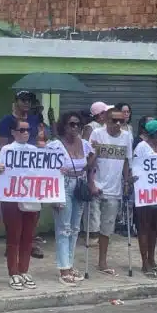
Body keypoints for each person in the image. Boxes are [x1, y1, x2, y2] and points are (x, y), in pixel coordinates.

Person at [46, 111, 95, 286]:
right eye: (71, 124)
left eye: (78, 125)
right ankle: (63, 268)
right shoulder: (55, 145)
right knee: (63, 227)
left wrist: (92, 184)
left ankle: (70, 263)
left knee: (75, 228)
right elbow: (47, 169)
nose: (74, 128)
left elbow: (91, 167)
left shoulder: (85, 145)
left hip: (79, 185)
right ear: (64, 126)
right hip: (63, 185)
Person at [0, 121, 41, 290]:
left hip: (30, 197)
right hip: (12, 198)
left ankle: (24, 269)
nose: (26, 133)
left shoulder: (35, 151)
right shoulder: (7, 150)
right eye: (22, 130)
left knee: (28, 236)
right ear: (13, 132)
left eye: (28, 130)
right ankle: (13, 272)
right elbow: (0, 172)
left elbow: (42, 172)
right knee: (14, 236)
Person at [87, 107, 132, 276]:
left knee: (107, 228)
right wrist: (91, 183)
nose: (118, 124)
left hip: (115, 188)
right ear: (106, 119)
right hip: (97, 186)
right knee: (94, 227)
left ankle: (102, 261)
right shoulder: (97, 134)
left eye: (122, 121)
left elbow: (127, 161)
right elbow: (89, 163)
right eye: (114, 120)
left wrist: (126, 182)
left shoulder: (126, 136)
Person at [132, 119, 157, 278]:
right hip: (144, 193)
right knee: (144, 227)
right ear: (153, 133)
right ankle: (144, 263)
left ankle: (152, 260)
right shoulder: (141, 147)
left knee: (154, 228)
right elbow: (136, 168)